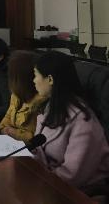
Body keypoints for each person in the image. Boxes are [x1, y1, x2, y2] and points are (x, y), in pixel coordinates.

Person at [32, 52, 109, 189]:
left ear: (50, 79)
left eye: (36, 75)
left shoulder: (83, 121)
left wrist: (39, 181)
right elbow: (39, 150)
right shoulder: (50, 107)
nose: (33, 81)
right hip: (49, 180)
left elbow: (72, 176)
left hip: (78, 192)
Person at [0, 51, 47, 142]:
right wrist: (3, 129)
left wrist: (13, 133)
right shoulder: (16, 95)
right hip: (9, 143)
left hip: (28, 148)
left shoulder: (41, 101)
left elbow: (38, 137)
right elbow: (6, 119)